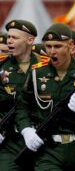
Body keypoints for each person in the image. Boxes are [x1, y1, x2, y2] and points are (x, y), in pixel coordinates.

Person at [15, 23, 75, 170]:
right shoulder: (37, 73)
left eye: (57, 46)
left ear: (71, 46)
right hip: (48, 151)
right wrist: (26, 130)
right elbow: (22, 106)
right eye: (48, 46)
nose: (52, 51)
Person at [0, 20, 38, 171]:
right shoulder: (2, 67)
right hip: (10, 140)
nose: (9, 41)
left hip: (40, 138)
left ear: (30, 40)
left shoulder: (45, 66)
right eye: (9, 37)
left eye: (15, 38)